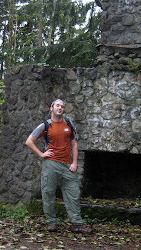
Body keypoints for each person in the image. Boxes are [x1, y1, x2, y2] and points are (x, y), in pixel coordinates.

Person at [25, 99, 92, 234]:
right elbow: (29, 141)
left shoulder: (68, 124)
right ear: (51, 108)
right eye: (57, 105)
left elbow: (74, 144)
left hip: (67, 165)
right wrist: (41, 154)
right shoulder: (45, 125)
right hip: (50, 164)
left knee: (73, 193)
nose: (60, 108)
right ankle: (51, 222)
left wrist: (74, 163)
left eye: (62, 106)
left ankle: (77, 224)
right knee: (48, 192)